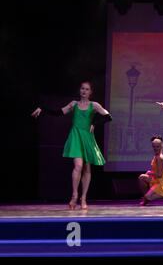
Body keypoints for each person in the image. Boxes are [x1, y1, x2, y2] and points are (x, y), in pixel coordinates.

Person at [31, 81, 112, 210]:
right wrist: (42, 108)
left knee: (87, 168)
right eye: (82, 89)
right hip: (75, 136)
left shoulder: (94, 105)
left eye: (87, 89)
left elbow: (108, 117)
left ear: (90, 92)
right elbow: (58, 112)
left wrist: (95, 123)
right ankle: (74, 195)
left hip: (87, 138)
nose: (84, 91)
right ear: (79, 90)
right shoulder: (74, 104)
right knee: (78, 165)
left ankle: (83, 198)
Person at [138, 135, 163, 206]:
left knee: (148, 197)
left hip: (161, 182)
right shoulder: (156, 155)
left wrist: (150, 172)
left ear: (161, 146)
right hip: (155, 179)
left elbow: (160, 175)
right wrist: (151, 173)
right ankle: (146, 198)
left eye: (157, 147)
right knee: (141, 177)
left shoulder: (160, 158)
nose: (155, 148)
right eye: (154, 147)